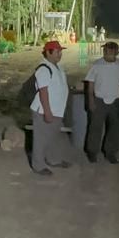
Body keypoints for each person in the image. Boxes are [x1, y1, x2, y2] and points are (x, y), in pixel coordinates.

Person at [85, 41, 119, 164]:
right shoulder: (97, 65)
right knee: (95, 127)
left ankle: (110, 152)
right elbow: (90, 83)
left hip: (116, 101)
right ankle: (92, 152)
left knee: (116, 128)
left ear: (116, 52)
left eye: (109, 51)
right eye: (105, 50)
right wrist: (91, 100)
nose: (106, 53)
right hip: (99, 100)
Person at [30, 41, 71, 175]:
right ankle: (38, 165)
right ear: (48, 52)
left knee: (53, 137)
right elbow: (43, 91)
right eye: (57, 51)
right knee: (41, 139)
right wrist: (47, 111)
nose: (60, 54)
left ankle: (53, 159)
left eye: (60, 51)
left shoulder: (58, 67)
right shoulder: (43, 68)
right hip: (43, 110)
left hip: (56, 110)